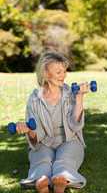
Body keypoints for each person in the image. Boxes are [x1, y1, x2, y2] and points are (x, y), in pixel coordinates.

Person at [17, 51, 88, 193]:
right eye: (58, 72)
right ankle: (41, 181)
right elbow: (35, 137)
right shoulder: (34, 99)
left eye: (64, 71)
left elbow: (75, 125)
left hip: (69, 139)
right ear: (46, 74)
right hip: (44, 141)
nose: (64, 75)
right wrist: (28, 130)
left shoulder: (70, 94)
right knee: (42, 159)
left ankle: (60, 180)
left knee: (65, 159)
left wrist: (79, 98)